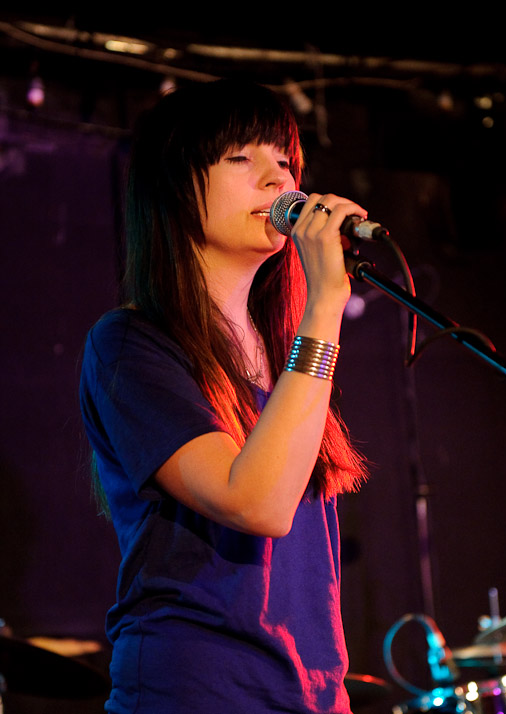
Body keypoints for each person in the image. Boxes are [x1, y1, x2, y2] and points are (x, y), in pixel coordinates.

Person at [79, 78, 368, 714]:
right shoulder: (129, 345)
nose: (277, 182)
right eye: (241, 157)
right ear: (176, 184)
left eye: (285, 161)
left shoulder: (286, 356)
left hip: (311, 692)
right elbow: (255, 503)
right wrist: (325, 302)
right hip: (195, 688)